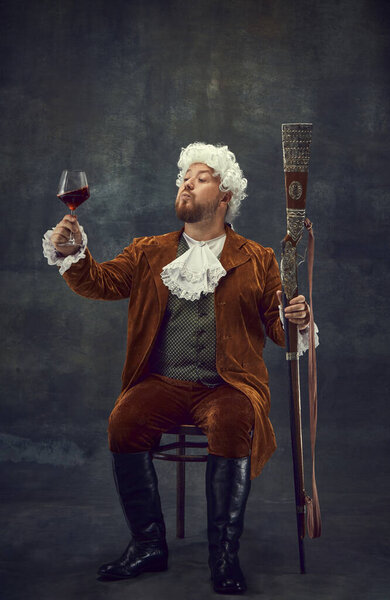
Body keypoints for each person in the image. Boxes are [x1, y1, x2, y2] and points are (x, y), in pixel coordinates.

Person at [42, 142, 318, 594]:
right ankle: (148, 544)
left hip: (228, 385)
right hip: (163, 383)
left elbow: (279, 330)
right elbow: (100, 281)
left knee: (234, 420)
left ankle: (223, 556)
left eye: (200, 178)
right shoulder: (149, 252)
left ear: (225, 195)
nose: (185, 183)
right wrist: (75, 252)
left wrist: (297, 320)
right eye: (183, 178)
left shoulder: (258, 258)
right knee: (124, 419)